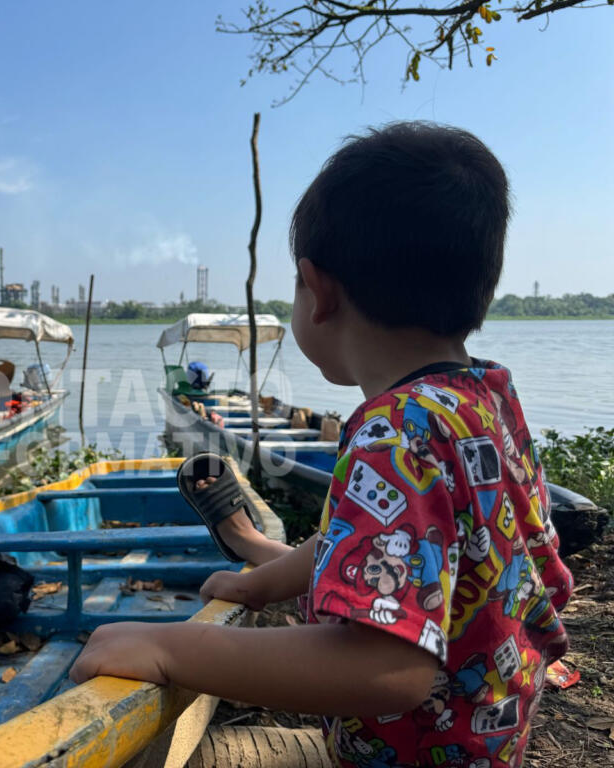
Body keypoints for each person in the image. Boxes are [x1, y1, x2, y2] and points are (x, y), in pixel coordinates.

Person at [69, 122, 573, 767]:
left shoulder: (395, 434)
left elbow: (387, 670)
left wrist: (169, 649)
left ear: (319, 289)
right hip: (487, 742)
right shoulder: (485, 398)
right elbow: (389, 538)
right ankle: (253, 545)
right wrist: (264, 583)